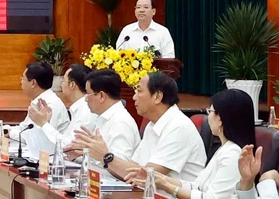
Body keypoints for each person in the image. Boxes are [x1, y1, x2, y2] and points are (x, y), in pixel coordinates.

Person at [75, 72, 205, 184]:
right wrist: (101, 156)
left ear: (157, 96)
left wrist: (105, 156)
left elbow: (145, 177)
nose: (134, 97)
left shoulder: (178, 127)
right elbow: (132, 169)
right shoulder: (152, 125)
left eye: (139, 91)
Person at [153, 88, 254, 199]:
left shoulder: (233, 154)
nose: (208, 117)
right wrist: (161, 179)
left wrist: (168, 187)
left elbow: (211, 198)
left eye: (210, 111)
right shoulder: (225, 148)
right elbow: (197, 187)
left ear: (220, 118)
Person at [0, 62, 69, 140]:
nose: (20, 81)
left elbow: (34, 138)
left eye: (23, 78)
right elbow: (23, 129)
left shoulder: (50, 105)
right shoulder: (38, 101)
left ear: (33, 83)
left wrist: (8, 133)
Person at [70, 69, 140, 161]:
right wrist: (78, 154)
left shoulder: (120, 122)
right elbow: (97, 160)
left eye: (88, 94)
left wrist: (99, 153)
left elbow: (121, 166)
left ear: (101, 96)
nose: (86, 99)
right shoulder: (103, 117)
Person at [23, 64, 94, 149]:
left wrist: (43, 123)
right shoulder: (80, 108)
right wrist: (46, 123)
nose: (61, 85)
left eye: (63, 80)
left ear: (72, 85)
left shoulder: (86, 110)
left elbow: (68, 146)